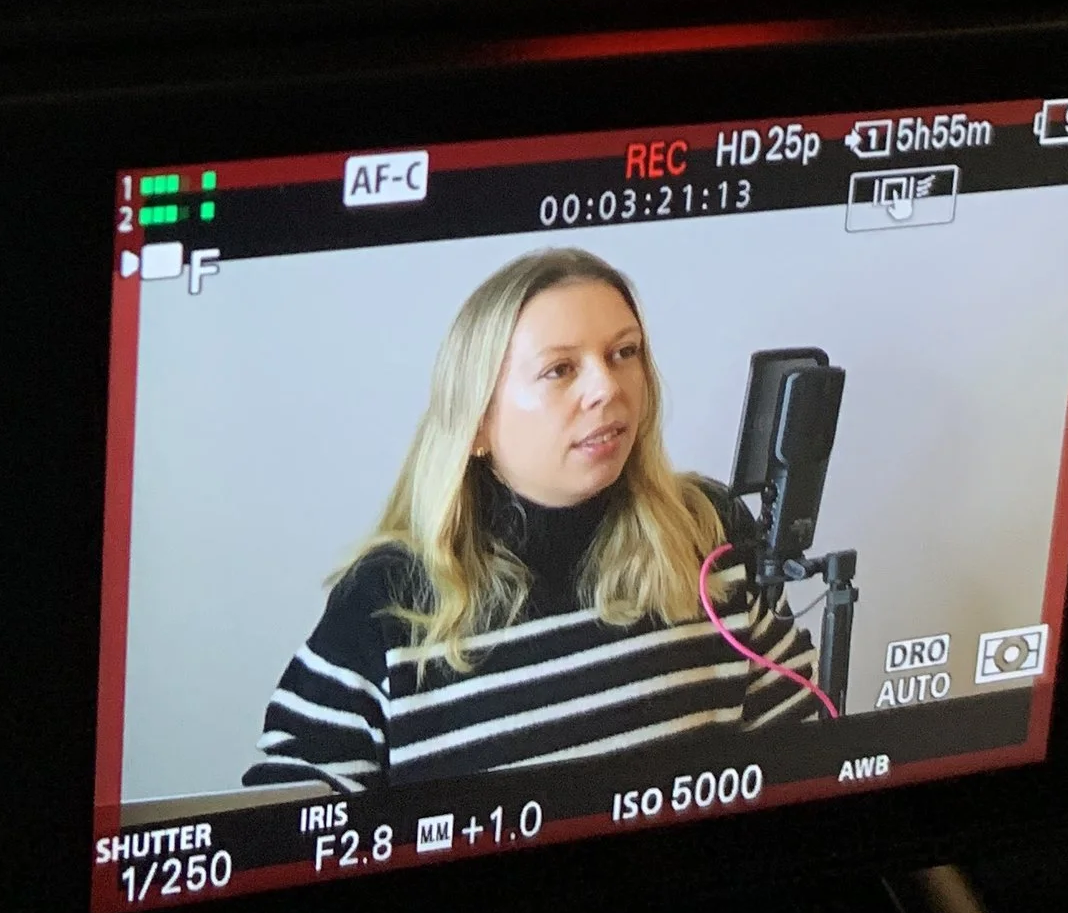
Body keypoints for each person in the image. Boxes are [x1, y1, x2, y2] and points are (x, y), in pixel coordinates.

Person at [246, 250, 825, 795]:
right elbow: (291, 836)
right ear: (477, 423)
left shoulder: (707, 527)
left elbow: (801, 754)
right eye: (560, 369)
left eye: (625, 352)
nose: (606, 387)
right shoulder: (386, 599)